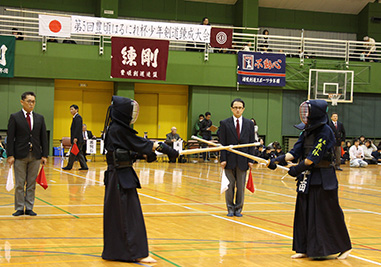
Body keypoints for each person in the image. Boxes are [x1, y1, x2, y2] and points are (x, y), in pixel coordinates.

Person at [268, 99, 352, 259]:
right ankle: (305, 247)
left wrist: (296, 169)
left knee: (328, 213)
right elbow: (294, 152)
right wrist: (276, 160)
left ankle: (344, 246)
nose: (305, 115)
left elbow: (313, 158)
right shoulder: (306, 131)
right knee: (304, 211)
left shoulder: (326, 131)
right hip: (307, 178)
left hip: (323, 178)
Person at [101, 96, 178, 263]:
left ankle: (118, 252)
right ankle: (135, 253)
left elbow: (126, 151)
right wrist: (167, 149)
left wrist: (142, 155)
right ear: (123, 113)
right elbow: (143, 144)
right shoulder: (118, 130)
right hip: (120, 177)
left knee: (121, 214)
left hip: (119, 176)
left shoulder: (115, 129)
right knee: (128, 215)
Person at [7, 91, 48, 216]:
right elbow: (10, 137)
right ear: (22, 102)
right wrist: (10, 155)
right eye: (29, 101)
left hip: (35, 155)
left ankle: (29, 207)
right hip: (19, 155)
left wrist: (44, 155)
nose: (31, 104)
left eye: (33, 101)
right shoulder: (15, 117)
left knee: (31, 183)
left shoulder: (40, 118)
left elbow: (43, 138)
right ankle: (19, 207)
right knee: (20, 183)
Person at [219, 98, 255, 217]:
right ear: (231, 109)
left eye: (240, 108)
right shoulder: (224, 123)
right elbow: (222, 143)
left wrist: (251, 160)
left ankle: (238, 208)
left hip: (243, 160)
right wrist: (223, 159)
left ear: (243, 109)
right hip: (229, 160)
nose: (237, 110)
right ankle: (230, 208)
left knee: (240, 187)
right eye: (235, 107)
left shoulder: (249, 124)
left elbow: (252, 143)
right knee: (229, 187)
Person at [62, 105, 88, 171]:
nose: (71, 111)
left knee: (73, 153)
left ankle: (69, 166)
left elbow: (77, 129)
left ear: (76, 110)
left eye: (72, 109)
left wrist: (75, 138)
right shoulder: (75, 117)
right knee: (78, 153)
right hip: (77, 139)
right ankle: (84, 166)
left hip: (77, 139)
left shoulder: (78, 118)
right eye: (70, 109)